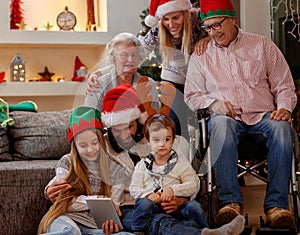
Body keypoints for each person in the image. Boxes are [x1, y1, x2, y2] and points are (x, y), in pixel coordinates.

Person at [45, 85, 245, 235]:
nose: (124, 135)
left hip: (166, 200)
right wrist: (50, 189)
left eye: (129, 127)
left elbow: (189, 179)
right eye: (118, 129)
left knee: (190, 210)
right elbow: (73, 158)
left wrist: (179, 198)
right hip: (132, 209)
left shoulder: (159, 142)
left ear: (138, 122)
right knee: (157, 219)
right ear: (108, 128)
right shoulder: (100, 147)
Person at [184, 0, 297, 228]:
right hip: (228, 122)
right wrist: (214, 103)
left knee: (283, 128)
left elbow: (284, 85)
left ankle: (277, 206)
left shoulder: (262, 45)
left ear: (233, 20)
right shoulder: (201, 55)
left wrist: (284, 108)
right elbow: (192, 95)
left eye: (218, 25)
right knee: (221, 124)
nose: (213, 33)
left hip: (263, 118)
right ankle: (230, 203)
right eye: (208, 28)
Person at [38, 106, 132, 235]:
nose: (90, 149)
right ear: (75, 146)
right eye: (83, 145)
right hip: (65, 219)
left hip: (93, 227)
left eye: (95, 143)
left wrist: (112, 222)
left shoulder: (116, 170)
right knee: (71, 231)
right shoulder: (66, 162)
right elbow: (64, 202)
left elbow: (113, 207)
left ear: (102, 140)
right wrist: (95, 200)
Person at [140, 0, 210, 138]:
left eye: (176, 18)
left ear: (185, 13)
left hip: (200, 81)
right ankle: (179, 156)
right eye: (166, 19)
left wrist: (207, 39)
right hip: (173, 80)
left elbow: (222, 33)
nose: (171, 25)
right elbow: (136, 52)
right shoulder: (157, 31)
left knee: (207, 124)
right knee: (175, 124)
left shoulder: (200, 23)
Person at [129, 113, 205, 234]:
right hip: (152, 209)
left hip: (175, 206)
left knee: (194, 207)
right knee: (143, 204)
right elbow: (134, 188)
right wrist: (148, 195)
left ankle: (204, 231)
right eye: (156, 140)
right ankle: (139, 231)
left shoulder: (180, 163)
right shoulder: (142, 165)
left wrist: (173, 190)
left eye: (167, 139)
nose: (162, 144)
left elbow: (192, 184)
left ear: (173, 140)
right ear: (148, 140)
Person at [84, 32, 159, 114]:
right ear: (113, 57)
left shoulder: (148, 84)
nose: (130, 60)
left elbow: (154, 121)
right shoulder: (97, 84)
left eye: (134, 55)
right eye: (124, 55)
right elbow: (90, 120)